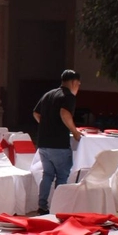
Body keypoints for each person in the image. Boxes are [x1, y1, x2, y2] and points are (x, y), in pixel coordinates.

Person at [33, 69, 83, 215]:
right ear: (73, 83)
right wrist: (74, 131)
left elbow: (36, 112)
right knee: (62, 176)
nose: (78, 87)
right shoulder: (69, 97)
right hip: (59, 144)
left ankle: (42, 206)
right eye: (78, 84)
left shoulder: (49, 94)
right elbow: (64, 113)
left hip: (43, 142)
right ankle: (58, 208)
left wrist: (46, 124)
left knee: (47, 175)